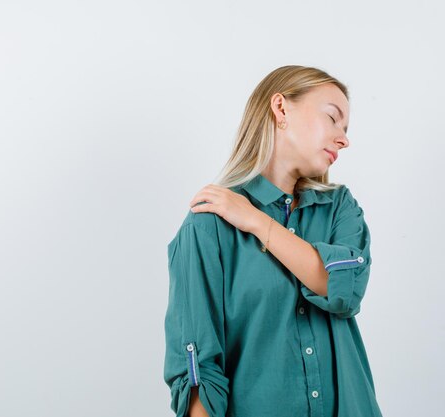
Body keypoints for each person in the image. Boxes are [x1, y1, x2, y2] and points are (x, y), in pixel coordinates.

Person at [163, 65, 383, 417]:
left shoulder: (339, 208)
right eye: (333, 118)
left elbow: (342, 287)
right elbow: (197, 367)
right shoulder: (208, 226)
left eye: (346, 129)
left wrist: (256, 221)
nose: (344, 139)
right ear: (281, 108)